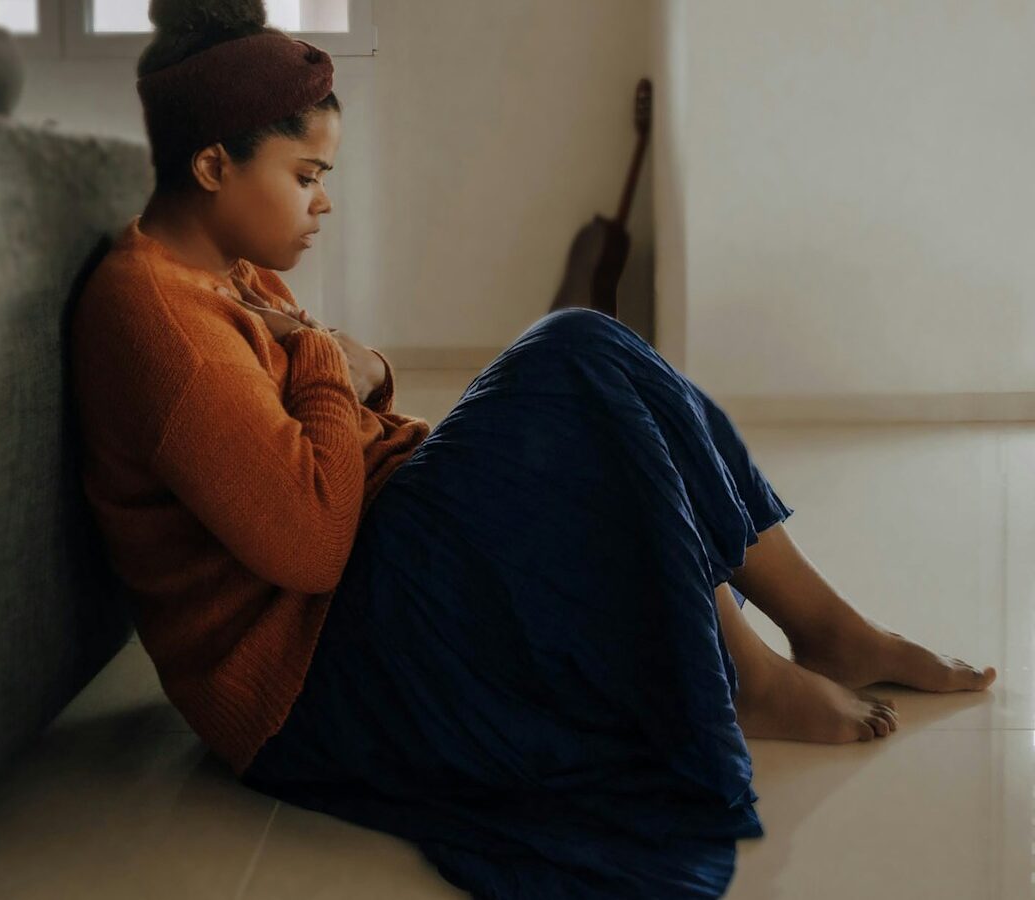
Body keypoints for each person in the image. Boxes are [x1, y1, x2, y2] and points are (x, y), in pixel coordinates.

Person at [67, 2, 996, 896]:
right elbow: (308, 545)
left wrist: (363, 373)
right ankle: (747, 678)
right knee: (571, 357)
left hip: (360, 580)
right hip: (308, 679)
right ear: (212, 164)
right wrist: (320, 355)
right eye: (307, 176)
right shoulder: (158, 319)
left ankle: (826, 631)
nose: (323, 205)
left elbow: (331, 409)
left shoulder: (226, 268)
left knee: (586, 354)